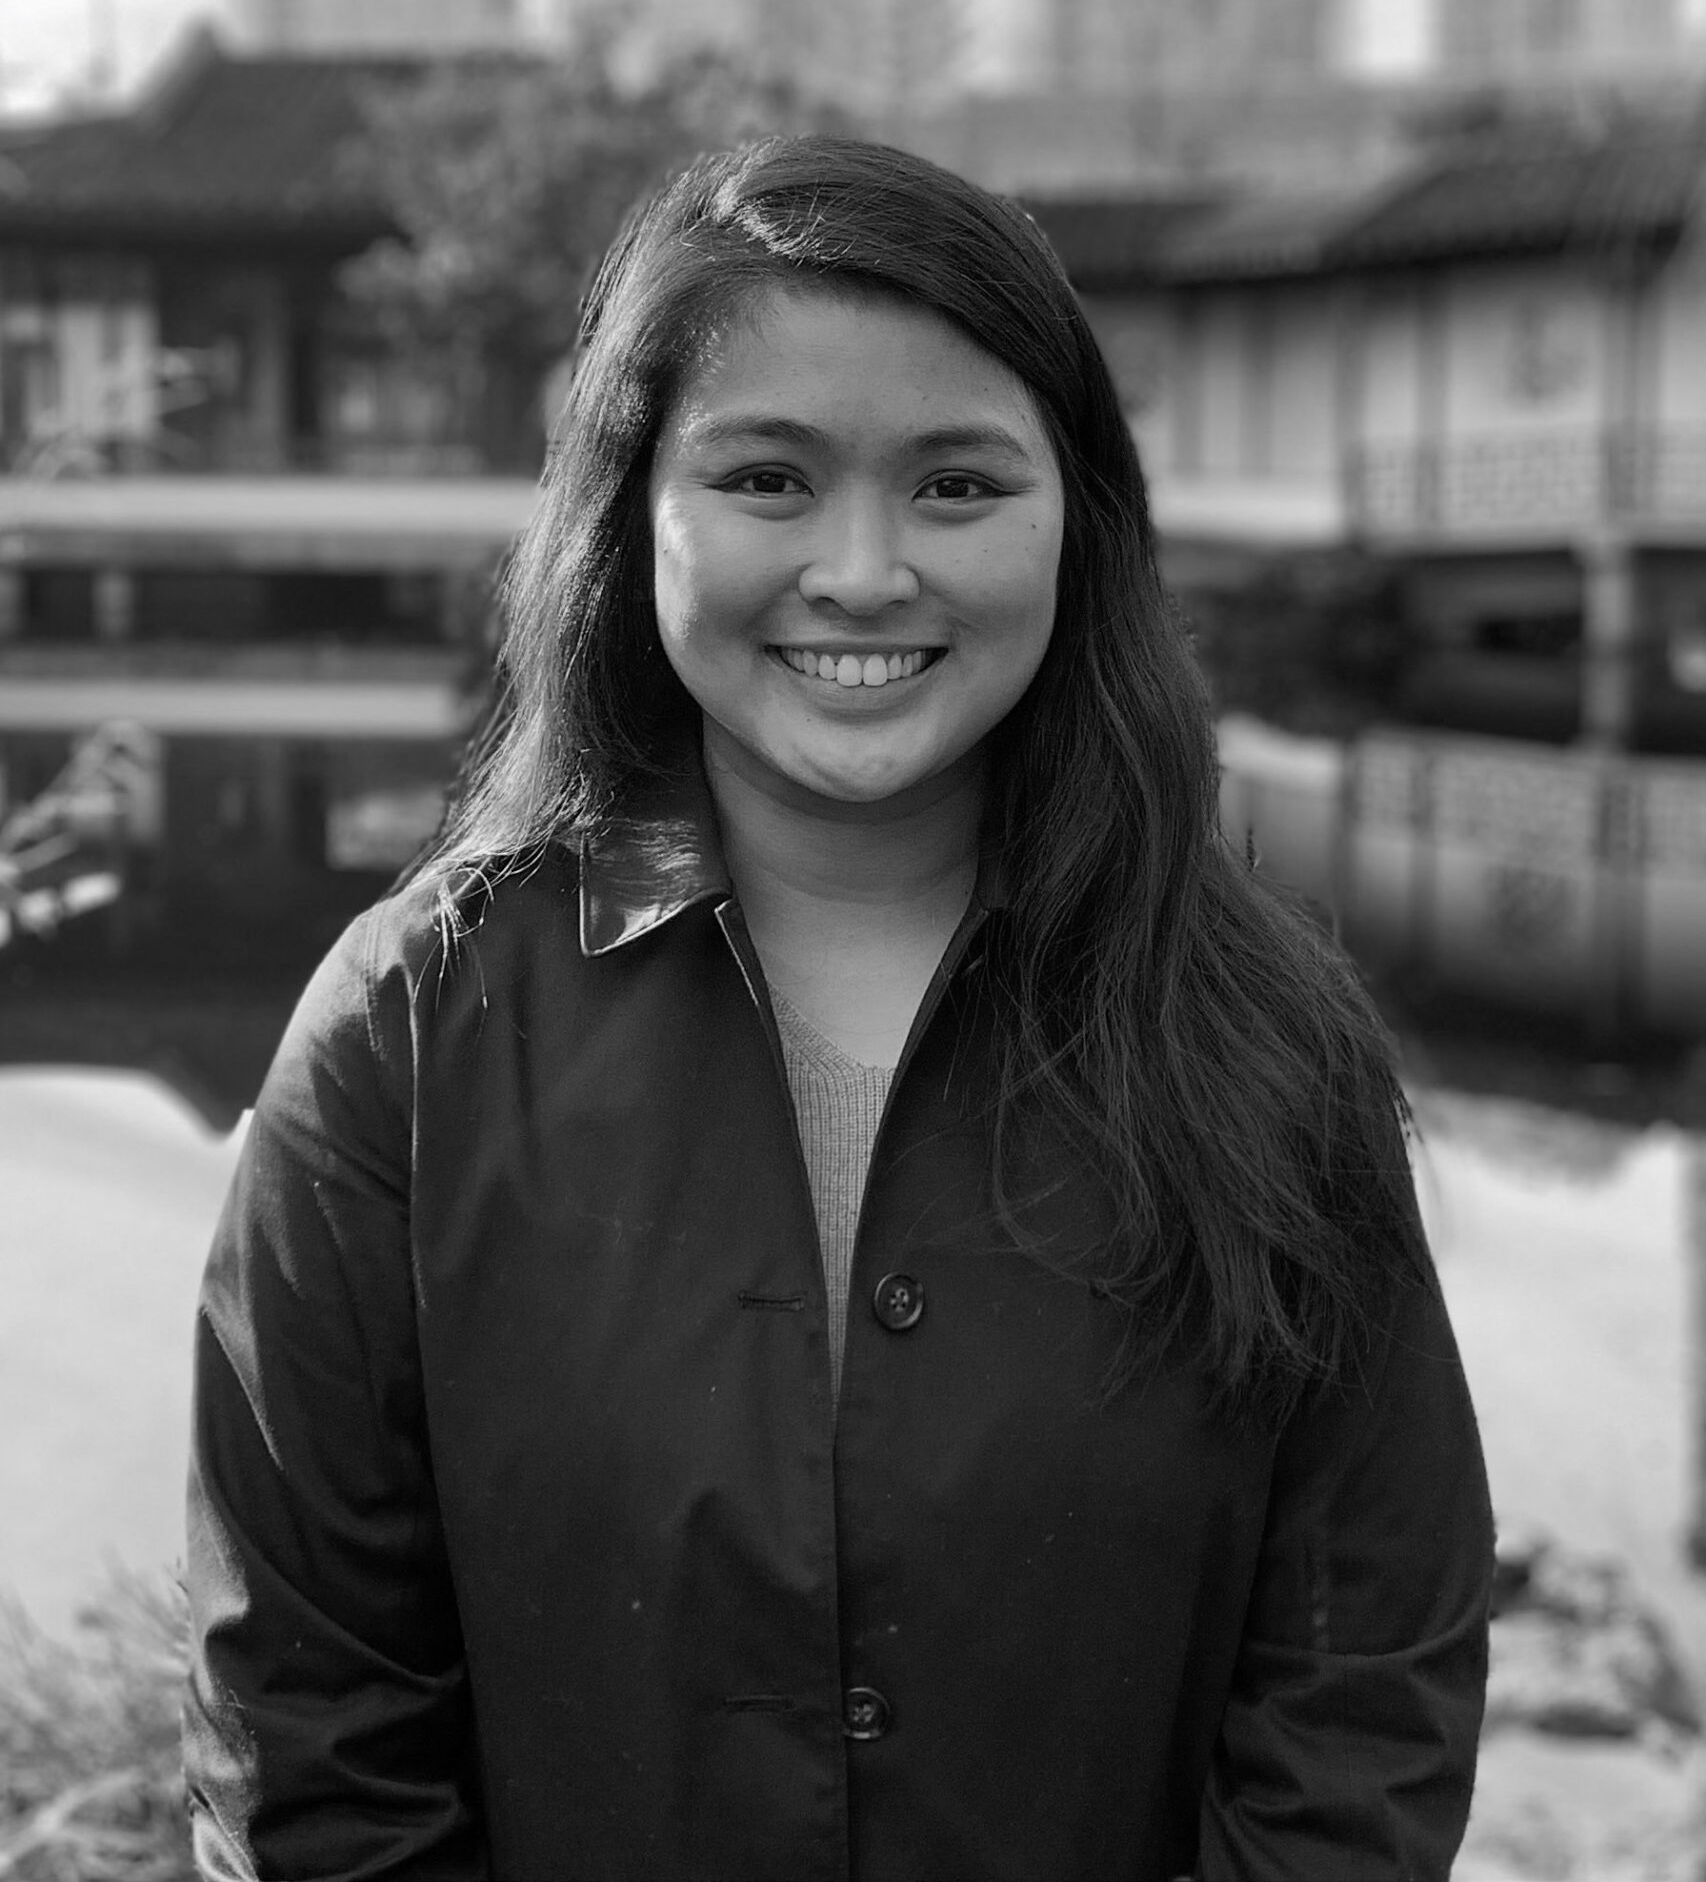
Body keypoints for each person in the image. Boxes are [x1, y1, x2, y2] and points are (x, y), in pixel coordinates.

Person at [183, 135, 1493, 1881]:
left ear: (1078, 524)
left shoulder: (1263, 1044)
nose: (864, 572)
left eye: (958, 485)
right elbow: (312, 1741)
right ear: (629, 510)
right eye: (767, 480)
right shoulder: (407, 1043)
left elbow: (1360, 1683)